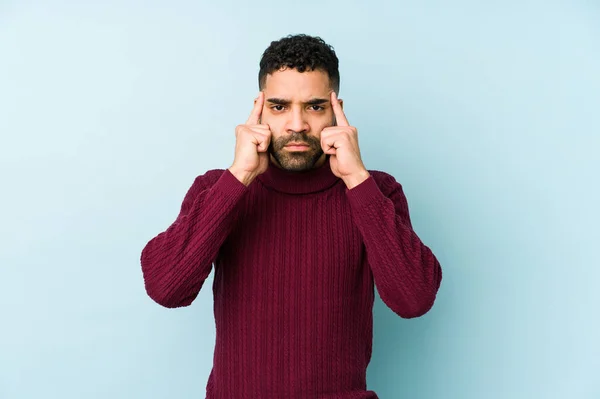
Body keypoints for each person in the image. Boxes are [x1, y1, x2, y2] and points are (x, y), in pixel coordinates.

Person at [141, 33, 442, 399]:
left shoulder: (375, 190)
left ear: (336, 110)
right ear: (259, 109)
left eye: (314, 107)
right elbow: (166, 288)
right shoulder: (219, 188)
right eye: (280, 107)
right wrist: (238, 178)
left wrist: (356, 179)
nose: (297, 124)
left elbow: (414, 299)